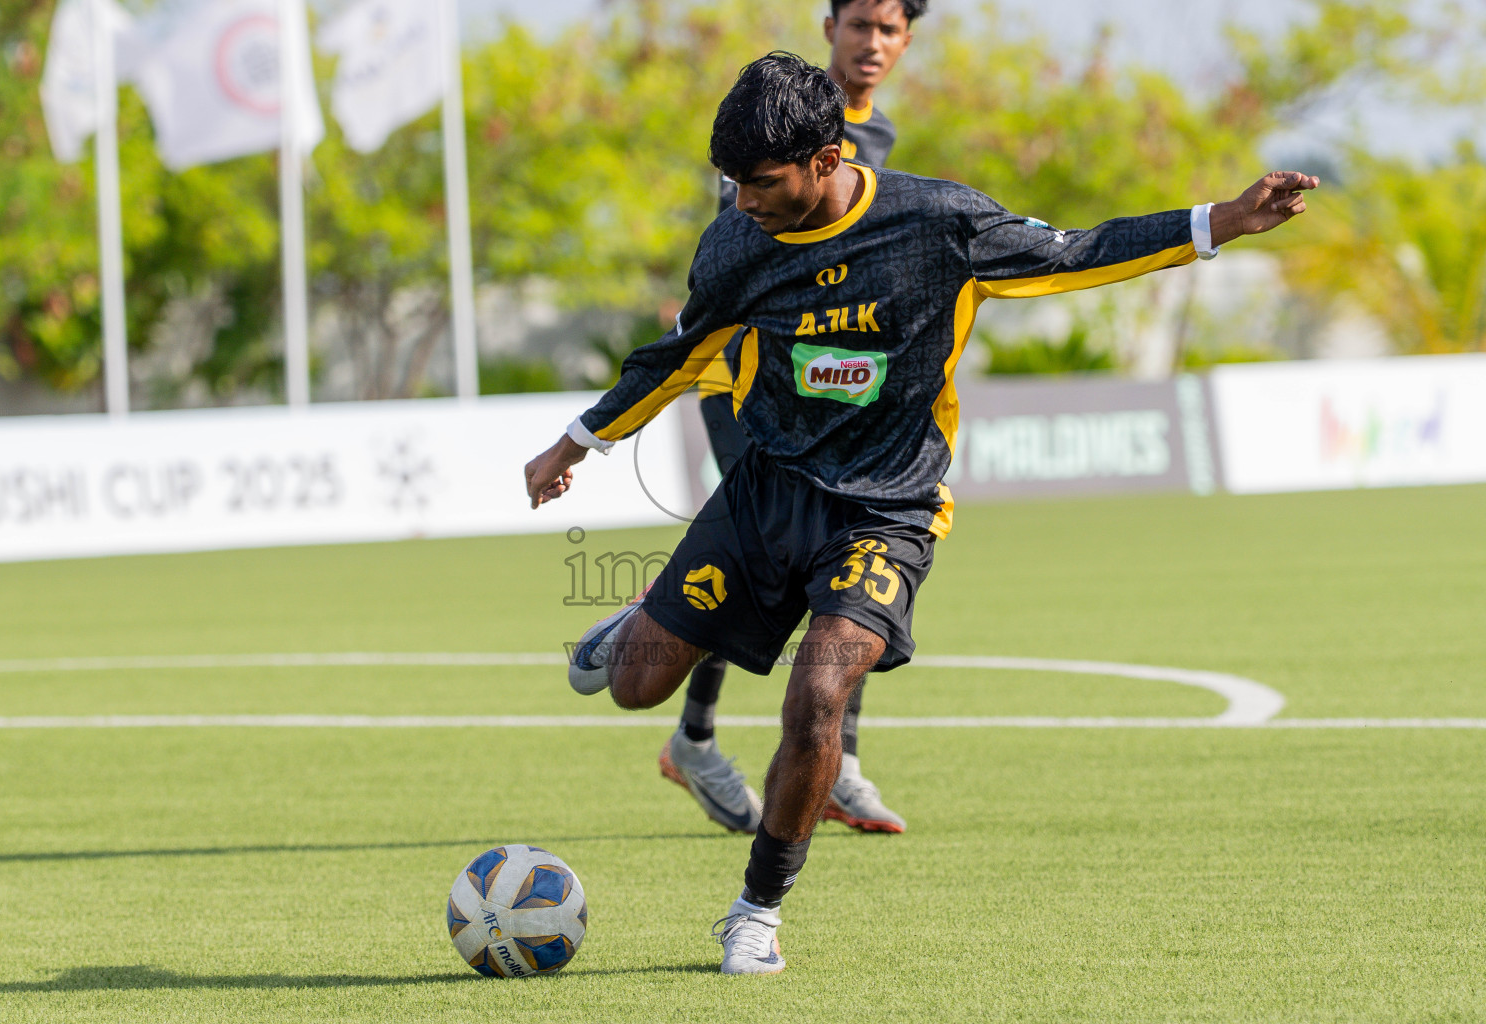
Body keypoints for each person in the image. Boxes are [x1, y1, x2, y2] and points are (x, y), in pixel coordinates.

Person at [525, 52, 1316, 975]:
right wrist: (577, 442)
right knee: (635, 688)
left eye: (761, 183)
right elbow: (675, 354)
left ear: (826, 160)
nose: (741, 202)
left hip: (886, 509)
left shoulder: (937, 224)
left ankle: (755, 911)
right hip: (764, 493)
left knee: (819, 695)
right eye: (731, 183)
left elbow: (1080, 251)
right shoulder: (736, 244)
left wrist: (1221, 221)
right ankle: (641, 622)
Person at [669, 0, 930, 839]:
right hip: (745, 378)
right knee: (771, 556)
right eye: (861, 24)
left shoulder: (875, 137)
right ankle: (698, 736)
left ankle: (833, 760)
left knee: (853, 555)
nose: (874, 44)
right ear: (830, 28)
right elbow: (741, 254)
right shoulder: (777, 120)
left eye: (890, 30)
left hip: (821, 393)